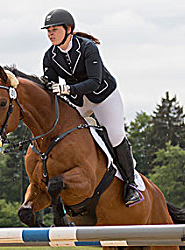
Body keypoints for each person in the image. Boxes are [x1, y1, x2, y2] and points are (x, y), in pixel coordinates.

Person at [41, 8, 143, 207]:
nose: (50, 33)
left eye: (54, 29)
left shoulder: (87, 48)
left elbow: (94, 82)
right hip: (79, 101)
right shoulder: (50, 56)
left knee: (114, 136)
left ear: (68, 29)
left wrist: (66, 88)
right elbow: (52, 89)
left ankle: (132, 184)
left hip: (104, 96)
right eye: (48, 30)